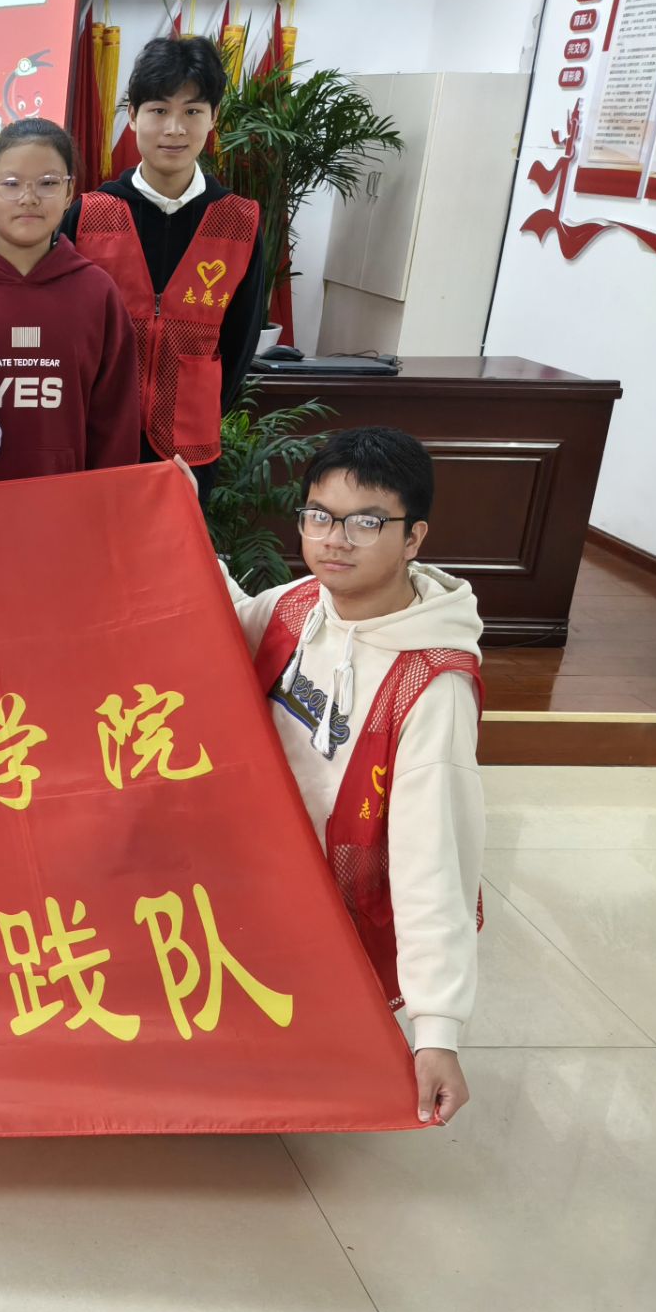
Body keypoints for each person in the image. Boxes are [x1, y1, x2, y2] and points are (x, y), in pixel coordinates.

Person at [211, 428, 483, 1126]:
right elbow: (215, 625)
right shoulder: (301, 604)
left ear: (413, 537)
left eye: (366, 522)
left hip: (339, 898)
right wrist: (173, 523)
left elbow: (433, 863)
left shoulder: (432, 686)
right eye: (319, 516)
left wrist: (438, 1031)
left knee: (304, 1070)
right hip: (261, 870)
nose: (335, 539)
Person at [60, 34, 265, 499]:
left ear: (213, 117)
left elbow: (240, 340)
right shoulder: (90, 215)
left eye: (192, 111)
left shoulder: (239, 222)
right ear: (133, 116)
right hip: (96, 439)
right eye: (158, 110)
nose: (174, 128)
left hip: (189, 448)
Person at [0, 119, 139, 480]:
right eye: (12, 184)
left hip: (64, 504)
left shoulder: (97, 294)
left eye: (47, 183)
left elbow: (115, 424)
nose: (29, 198)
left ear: (69, 192)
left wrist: (108, 501)